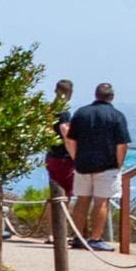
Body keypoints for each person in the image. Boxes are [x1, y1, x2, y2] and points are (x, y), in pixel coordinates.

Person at [67, 81, 132, 243]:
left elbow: (71, 140)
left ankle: (78, 236)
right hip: (107, 165)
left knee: (82, 200)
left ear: (96, 95)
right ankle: (95, 239)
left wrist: (76, 157)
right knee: (101, 201)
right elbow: (122, 144)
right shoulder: (117, 116)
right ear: (112, 97)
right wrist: (119, 164)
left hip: (82, 164)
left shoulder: (81, 113)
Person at [42, 77, 77, 227]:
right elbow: (65, 132)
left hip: (51, 155)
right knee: (65, 196)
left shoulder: (49, 109)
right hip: (63, 158)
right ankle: (60, 231)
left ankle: (52, 232)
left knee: (55, 195)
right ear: (70, 93)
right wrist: (75, 155)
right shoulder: (63, 112)